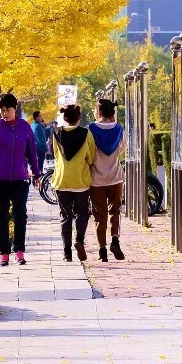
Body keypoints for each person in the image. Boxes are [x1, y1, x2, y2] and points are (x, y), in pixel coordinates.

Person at [0, 93, 41, 266]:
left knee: (20, 215)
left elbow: (32, 153)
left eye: (8, 110)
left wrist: (36, 174)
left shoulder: (25, 127)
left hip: (20, 180)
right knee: (1, 217)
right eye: (2, 110)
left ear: (15, 109)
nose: (5, 113)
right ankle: (4, 253)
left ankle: (19, 251)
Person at [51, 104, 96, 261]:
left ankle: (67, 253)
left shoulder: (56, 133)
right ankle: (79, 240)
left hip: (62, 180)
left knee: (65, 216)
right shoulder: (86, 134)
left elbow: (56, 155)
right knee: (82, 212)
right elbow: (91, 157)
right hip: (80, 181)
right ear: (79, 118)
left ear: (64, 117)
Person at [89, 98, 125, 262]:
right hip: (115, 177)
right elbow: (122, 149)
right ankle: (115, 239)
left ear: (99, 112)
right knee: (115, 211)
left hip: (96, 180)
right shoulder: (119, 129)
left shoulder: (90, 129)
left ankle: (102, 250)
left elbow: (88, 152)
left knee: (99, 215)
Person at [31, 110, 48, 175]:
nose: (42, 117)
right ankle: (38, 177)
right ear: (36, 117)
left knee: (37, 163)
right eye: (40, 116)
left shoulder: (33, 125)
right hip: (40, 148)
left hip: (35, 147)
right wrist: (45, 147)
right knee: (40, 163)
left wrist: (44, 125)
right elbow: (41, 139)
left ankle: (36, 177)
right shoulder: (38, 126)